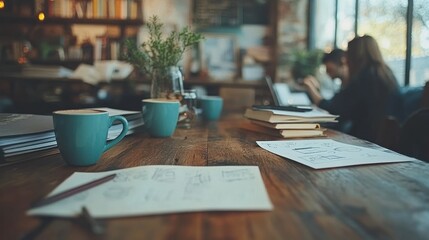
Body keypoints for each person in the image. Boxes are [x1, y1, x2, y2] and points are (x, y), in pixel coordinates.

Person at [303, 35, 399, 142]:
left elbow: (333, 108)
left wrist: (310, 88)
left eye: (348, 54)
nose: (345, 60)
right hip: (387, 140)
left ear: (354, 56)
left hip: (367, 140)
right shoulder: (386, 74)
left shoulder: (363, 79)